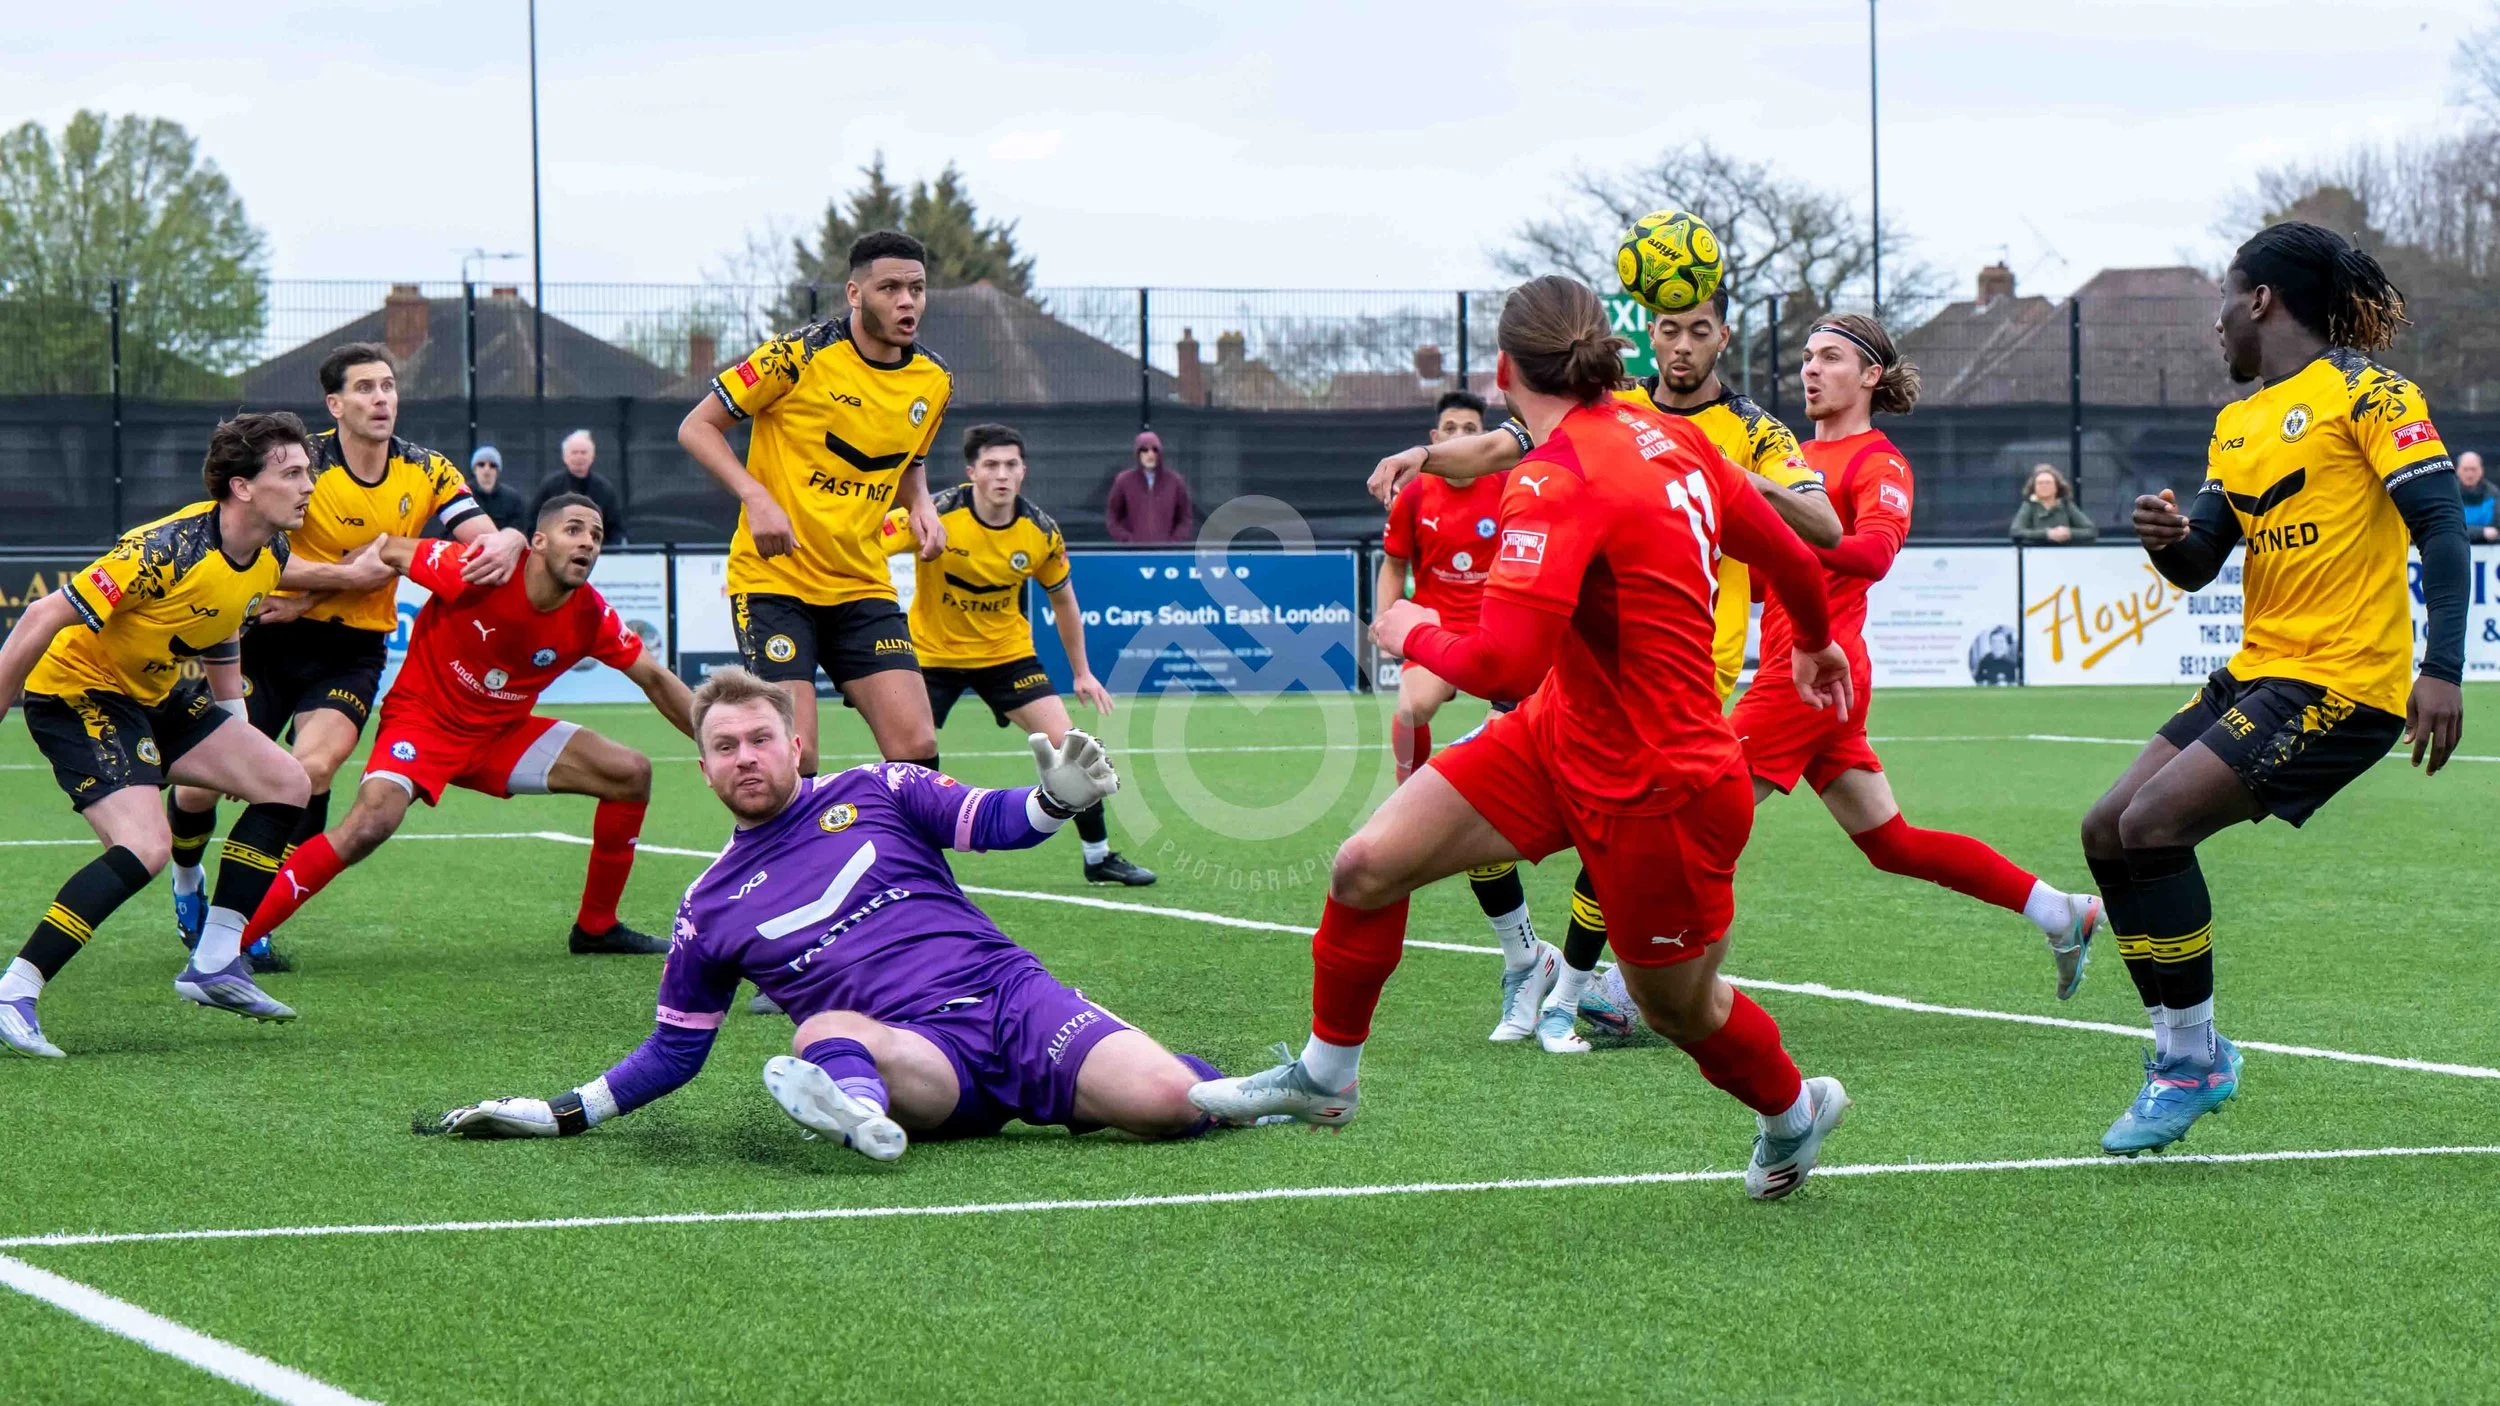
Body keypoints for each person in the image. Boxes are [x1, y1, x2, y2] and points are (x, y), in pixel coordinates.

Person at [1189, 276, 1858, 1200]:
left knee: (1679, 1009)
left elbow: (1502, 664)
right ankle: (1326, 1076)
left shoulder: (1562, 475)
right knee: (1365, 867)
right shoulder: (1676, 439)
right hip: (1560, 736)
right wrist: (1817, 642)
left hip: (1662, 784)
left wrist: (1405, 630)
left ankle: (1794, 1111)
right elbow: (1791, 551)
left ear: (1504, 370)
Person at [416, 667, 1235, 1160]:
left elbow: (991, 822)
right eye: (726, 748)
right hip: (919, 1064)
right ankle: (859, 1117)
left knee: (1173, 1106)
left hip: (1011, 999)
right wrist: (561, 1113)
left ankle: (1233, 1083)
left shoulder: (879, 787)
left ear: (794, 746)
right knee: (816, 1034)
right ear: (703, 770)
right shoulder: (706, 909)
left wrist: (1055, 800)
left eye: (761, 740)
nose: (747, 758)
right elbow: (674, 1053)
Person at [1369, 286, 1841, 1054]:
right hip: (1568, 684)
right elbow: (1503, 446)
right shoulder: (1607, 407)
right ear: (1642, 339)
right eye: (1668, 329)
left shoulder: (1750, 429)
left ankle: (1571, 989)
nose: (1681, 345)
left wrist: (1719, 474)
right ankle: (1524, 968)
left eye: (1698, 331)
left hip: (1686, 681)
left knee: (1668, 967)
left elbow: (1817, 527)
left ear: (1724, 339)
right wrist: (1425, 456)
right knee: (1390, 846)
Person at [2079, 222, 2466, 1156]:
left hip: (2344, 681)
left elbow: (2443, 532)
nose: (2215, 321)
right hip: (2259, 671)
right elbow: (2202, 563)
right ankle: (2190, 1051)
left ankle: (2188, 1061)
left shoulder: (2371, 392)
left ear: (2260, 300)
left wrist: (2443, 669)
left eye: (2224, 296)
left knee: (2153, 826)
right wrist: (2165, 538)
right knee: (2106, 830)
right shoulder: (2237, 423)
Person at [1719, 316, 2102, 1003]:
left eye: (1829, 357)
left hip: (1808, 673)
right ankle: (2059, 910)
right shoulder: (1794, 460)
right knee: (1891, 843)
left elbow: (1872, 555)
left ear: (1870, 376)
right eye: (1806, 357)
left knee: (1700, 813)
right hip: (1805, 670)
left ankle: (1640, 985)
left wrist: (1772, 508)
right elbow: (1760, 559)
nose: (1810, 369)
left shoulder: (1879, 462)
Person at [0, 413, 396, 1057]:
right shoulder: (165, 548)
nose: (308, 486)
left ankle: (214, 962)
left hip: (155, 690)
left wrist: (237, 737)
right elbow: (44, 614)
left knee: (286, 781)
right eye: (292, 473)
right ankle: (15, 988)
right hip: (78, 691)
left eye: (308, 471)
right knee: (145, 846)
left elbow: (220, 627)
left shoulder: (268, 552)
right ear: (242, 486)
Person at [166, 343, 527, 970]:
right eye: (364, 388)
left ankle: (247, 923)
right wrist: (338, 582)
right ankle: (187, 880)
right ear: (335, 404)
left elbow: (483, 538)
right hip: (267, 639)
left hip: (352, 651)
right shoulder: (303, 465)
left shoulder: (426, 469)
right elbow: (257, 549)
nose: (381, 398)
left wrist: (514, 540)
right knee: (201, 788)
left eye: (388, 386)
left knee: (309, 771)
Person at [236, 496, 696, 961]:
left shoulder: (591, 615)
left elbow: (655, 679)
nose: (587, 543)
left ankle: (596, 929)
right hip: (422, 722)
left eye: (595, 536)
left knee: (630, 773)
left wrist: (716, 744)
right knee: (369, 824)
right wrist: (307, 601)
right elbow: (389, 549)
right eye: (573, 530)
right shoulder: (475, 568)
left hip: (500, 735)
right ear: (537, 542)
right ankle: (231, 943)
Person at [677, 230, 951, 777]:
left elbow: (911, 459)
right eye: (890, 288)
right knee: (794, 757)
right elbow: (696, 426)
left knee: (917, 743)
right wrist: (756, 497)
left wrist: (921, 503)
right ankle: (787, 865)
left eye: (916, 289)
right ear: (855, 294)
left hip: (861, 581)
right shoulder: (795, 356)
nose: (906, 301)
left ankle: (917, 866)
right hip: (776, 582)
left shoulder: (934, 380)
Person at [885, 423, 1155, 887]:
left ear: (1024, 471)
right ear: (972, 472)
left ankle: (1098, 857)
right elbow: (862, 540)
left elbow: (1064, 600)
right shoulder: (935, 512)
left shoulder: (1040, 532)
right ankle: (913, 865)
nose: (1002, 474)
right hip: (932, 656)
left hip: (1007, 656)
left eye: (1011, 464)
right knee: (911, 755)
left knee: (1073, 748)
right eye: (991, 465)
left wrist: (1082, 672)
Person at [1375, 389, 1563, 1043]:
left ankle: (1583, 981)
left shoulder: (1521, 485)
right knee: (1417, 714)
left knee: (1618, 828)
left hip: (1509, 641)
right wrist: (1390, 617)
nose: (1460, 438)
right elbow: (1395, 562)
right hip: (1442, 630)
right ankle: (1542, 970)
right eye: (1447, 429)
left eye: (1470, 429)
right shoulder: (1418, 493)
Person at [529, 430, 628, 544]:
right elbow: (534, 523)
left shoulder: (605, 489)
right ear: (565, 457)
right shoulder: (550, 486)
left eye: (583, 452)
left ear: (592, 456)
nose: (579, 457)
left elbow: (616, 528)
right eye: (574, 452)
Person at [1104, 431, 1196, 544]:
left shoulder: (1175, 482)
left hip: (1167, 556)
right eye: (1145, 450)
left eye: (1154, 450)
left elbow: (1185, 519)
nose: (1150, 454)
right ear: (1138, 453)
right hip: (1133, 556)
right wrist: (1128, 540)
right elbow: (1112, 517)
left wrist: (1173, 543)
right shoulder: (1124, 481)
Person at [446, 445, 531, 539]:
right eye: (481, 464)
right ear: (474, 469)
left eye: (492, 465)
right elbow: (449, 531)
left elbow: (518, 533)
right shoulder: (461, 495)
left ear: (497, 470)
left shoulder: (512, 498)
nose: (487, 469)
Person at [2010, 465, 2098, 544]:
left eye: (2048, 482)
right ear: (2034, 487)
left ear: (2057, 486)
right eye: (2040, 483)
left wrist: (2068, 533)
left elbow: (2091, 531)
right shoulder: (2029, 505)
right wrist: (2047, 534)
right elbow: (2016, 532)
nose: (2044, 486)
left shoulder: (2066, 505)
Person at [2455, 450, 2497, 543]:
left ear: (2481, 470)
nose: (2470, 474)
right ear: (2458, 471)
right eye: (2465, 469)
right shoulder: (2450, 494)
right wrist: (2481, 533)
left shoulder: (2493, 494)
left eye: (2473, 469)